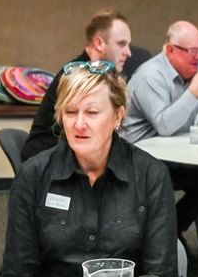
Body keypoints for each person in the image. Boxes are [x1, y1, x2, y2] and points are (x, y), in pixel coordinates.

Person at [0, 64, 179, 277]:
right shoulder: (33, 175)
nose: (79, 124)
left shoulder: (150, 176)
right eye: (70, 112)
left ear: (118, 116)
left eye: (92, 113)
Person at [22, 9, 134, 163]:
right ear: (99, 43)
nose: (128, 52)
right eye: (121, 44)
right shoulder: (73, 77)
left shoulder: (101, 76)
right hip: (47, 158)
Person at [119, 20, 198, 144]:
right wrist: (193, 94)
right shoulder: (150, 75)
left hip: (179, 148)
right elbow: (164, 127)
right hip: (140, 149)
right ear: (170, 50)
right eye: (192, 51)